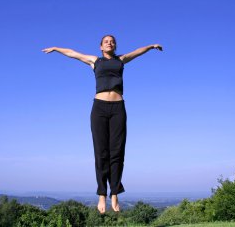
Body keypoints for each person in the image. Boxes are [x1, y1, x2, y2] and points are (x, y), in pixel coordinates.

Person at [42, 35, 162, 213]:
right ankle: (102, 194)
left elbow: (137, 52)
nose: (109, 42)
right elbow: (73, 53)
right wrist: (57, 48)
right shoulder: (94, 61)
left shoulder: (121, 60)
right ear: (100, 46)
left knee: (117, 152)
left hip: (118, 108)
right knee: (101, 152)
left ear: (115, 45)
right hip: (99, 108)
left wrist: (151, 46)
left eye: (112, 41)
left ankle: (115, 193)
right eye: (106, 41)